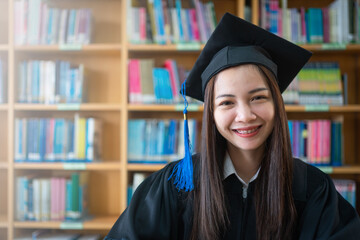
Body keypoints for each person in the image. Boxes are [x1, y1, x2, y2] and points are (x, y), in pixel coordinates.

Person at [105, 13, 360, 240]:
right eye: (227, 102)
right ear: (212, 113)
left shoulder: (311, 188)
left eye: (258, 97)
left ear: (276, 103)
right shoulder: (175, 187)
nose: (245, 115)